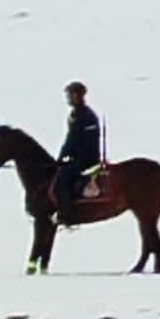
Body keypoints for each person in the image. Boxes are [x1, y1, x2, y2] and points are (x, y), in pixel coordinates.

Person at [54, 80, 101, 225]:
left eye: (70, 94)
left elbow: (73, 139)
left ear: (77, 95)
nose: (68, 97)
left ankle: (68, 214)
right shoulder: (76, 114)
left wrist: (62, 157)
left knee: (62, 179)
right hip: (78, 157)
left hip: (87, 159)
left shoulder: (85, 115)